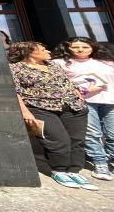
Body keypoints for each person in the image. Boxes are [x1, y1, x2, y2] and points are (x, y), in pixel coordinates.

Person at [53, 37, 114, 183]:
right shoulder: (60, 63)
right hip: (85, 101)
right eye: (76, 47)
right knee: (92, 133)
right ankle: (100, 162)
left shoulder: (108, 62)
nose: (80, 50)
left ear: (92, 48)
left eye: (84, 47)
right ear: (67, 48)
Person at [8, 41, 94, 190]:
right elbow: (15, 91)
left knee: (76, 140)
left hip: (73, 106)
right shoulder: (15, 68)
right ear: (29, 53)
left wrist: (78, 95)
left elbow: (68, 83)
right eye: (42, 49)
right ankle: (59, 169)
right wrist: (25, 111)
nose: (47, 51)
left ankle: (74, 170)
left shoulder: (53, 65)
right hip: (41, 107)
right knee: (57, 139)